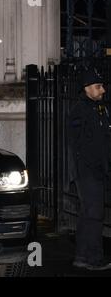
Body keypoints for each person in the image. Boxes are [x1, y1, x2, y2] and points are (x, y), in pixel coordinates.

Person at [68, 68, 111, 271]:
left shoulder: (98, 108)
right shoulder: (80, 110)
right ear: (87, 88)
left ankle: (82, 256)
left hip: (96, 170)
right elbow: (80, 145)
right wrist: (94, 166)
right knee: (94, 214)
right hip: (87, 171)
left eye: (102, 86)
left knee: (89, 214)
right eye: (98, 86)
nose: (102, 90)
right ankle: (93, 257)